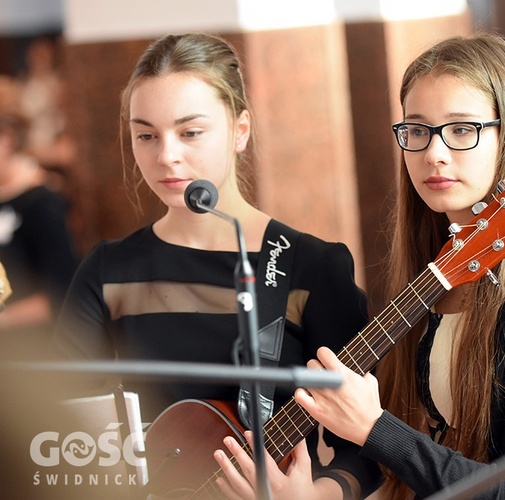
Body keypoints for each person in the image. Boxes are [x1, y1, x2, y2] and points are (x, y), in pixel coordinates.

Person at [217, 33, 505, 499]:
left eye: (462, 129)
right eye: (417, 130)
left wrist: (374, 428)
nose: (434, 153)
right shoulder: (432, 279)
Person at [52, 33, 379, 499]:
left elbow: (368, 445)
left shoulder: (310, 267)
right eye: (146, 135)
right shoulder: (108, 271)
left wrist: (318, 496)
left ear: (240, 129)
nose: (166, 156)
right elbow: (57, 428)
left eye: (190, 132)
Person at [0, 111, 79, 358]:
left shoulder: (42, 204)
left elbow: (62, 292)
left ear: (6, 140)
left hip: (35, 351)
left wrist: (5, 319)